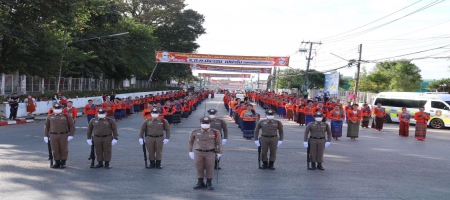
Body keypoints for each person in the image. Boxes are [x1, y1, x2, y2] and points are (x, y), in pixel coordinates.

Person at [188, 117, 223, 190]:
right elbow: (190, 142)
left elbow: (219, 143)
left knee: (210, 167)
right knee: (199, 167)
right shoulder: (194, 131)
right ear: (200, 123)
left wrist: (220, 152)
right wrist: (190, 151)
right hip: (198, 152)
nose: (205, 125)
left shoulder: (215, 132)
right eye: (203, 123)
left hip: (210, 152)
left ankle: (209, 182)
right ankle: (200, 182)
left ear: (210, 123)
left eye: (207, 123)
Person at [43, 103, 75, 168]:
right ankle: (57, 162)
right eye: (56, 108)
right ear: (53, 109)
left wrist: (71, 135)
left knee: (64, 149)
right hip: (53, 135)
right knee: (55, 149)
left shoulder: (67, 116)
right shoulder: (49, 116)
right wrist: (45, 136)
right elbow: (47, 127)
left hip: (64, 135)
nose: (57, 110)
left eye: (59, 108)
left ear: (62, 109)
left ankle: (63, 162)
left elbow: (72, 126)